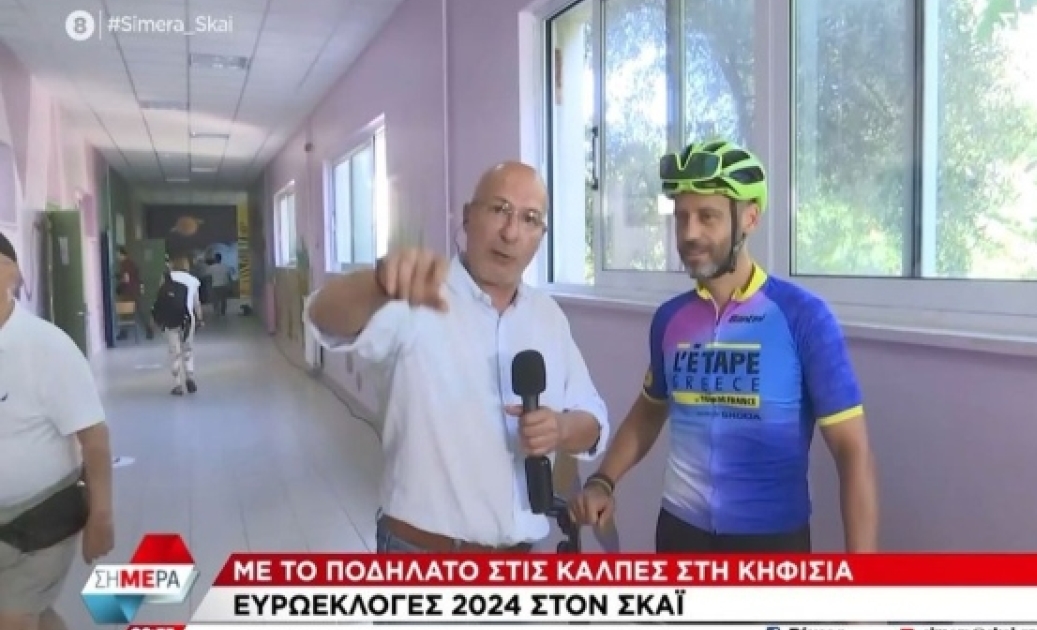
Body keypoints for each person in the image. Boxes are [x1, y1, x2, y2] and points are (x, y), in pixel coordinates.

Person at [569, 139, 879, 552]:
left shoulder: (803, 317)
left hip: (771, 542)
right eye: (682, 217)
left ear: (749, 218)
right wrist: (603, 480)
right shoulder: (670, 319)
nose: (690, 233)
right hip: (679, 533)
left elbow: (852, 451)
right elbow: (650, 409)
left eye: (707, 217)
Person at [305, 161, 609, 553]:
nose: (511, 232)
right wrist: (378, 282)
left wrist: (561, 429)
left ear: (541, 236)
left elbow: (594, 421)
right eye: (499, 209)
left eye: (530, 219)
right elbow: (322, 316)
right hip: (421, 554)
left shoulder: (548, 316)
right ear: (468, 217)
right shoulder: (417, 295)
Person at [0, 230, 115, 629]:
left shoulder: (47, 347)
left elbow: (94, 438)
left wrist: (101, 514)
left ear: (10, 273)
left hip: (42, 516)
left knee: (13, 618)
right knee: (31, 613)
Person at [158, 258, 202, 396]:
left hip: (170, 319)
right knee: (187, 350)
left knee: (174, 352)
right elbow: (196, 303)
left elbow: (161, 299)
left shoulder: (166, 278)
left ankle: (177, 384)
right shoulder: (193, 280)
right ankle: (190, 377)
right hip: (188, 318)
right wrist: (200, 319)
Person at [114, 246, 153, 340]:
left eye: (117, 254)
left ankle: (124, 333)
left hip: (128, 292)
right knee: (139, 312)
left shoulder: (125, 264)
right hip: (135, 291)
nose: (117, 256)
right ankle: (148, 330)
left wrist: (119, 279)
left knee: (125, 313)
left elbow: (126, 279)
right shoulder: (131, 263)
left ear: (121, 254)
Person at [206, 252, 234, 317]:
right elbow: (229, 277)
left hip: (215, 286)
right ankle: (223, 312)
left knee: (215, 300)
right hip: (224, 285)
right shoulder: (225, 267)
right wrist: (230, 286)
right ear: (221, 259)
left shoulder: (211, 268)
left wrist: (208, 287)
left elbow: (209, 278)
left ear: (215, 259)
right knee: (223, 299)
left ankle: (216, 311)